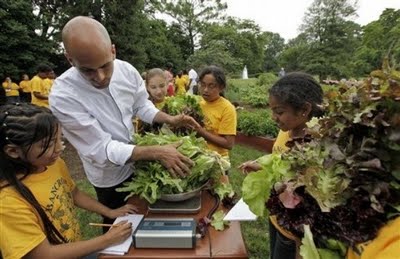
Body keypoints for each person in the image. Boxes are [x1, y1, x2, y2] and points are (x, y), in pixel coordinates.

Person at [49, 16, 198, 228]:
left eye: (104, 66)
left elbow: (141, 106)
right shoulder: (63, 95)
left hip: (139, 163)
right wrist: (156, 152)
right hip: (109, 176)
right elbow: (100, 148)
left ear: (113, 50)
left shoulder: (127, 71)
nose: (100, 77)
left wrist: (169, 119)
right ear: (69, 59)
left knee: (146, 217)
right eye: (87, 70)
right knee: (117, 225)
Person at [0, 103, 136, 259]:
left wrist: (109, 212)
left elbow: (74, 193)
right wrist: (106, 240)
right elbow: (44, 254)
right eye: (48, 144)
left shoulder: (53, 164)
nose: (59, 148)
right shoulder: (8, 203)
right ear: (13, 151)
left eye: (59, 139)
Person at [239, 72, 324, 259]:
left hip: (293, 231)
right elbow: (280, 163)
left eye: (279, 112)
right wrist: (261, 167)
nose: (273, 117)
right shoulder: (287, 131)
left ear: (304, 109)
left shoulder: (315, 146)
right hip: (277, 218)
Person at [190, 65, 237, 160]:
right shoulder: (197, 103)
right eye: (203, 85)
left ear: (221, 87)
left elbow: (229, 144)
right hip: (196, 156)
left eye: (211, 86)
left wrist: (200, 130)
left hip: (217, 160)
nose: (206, 90)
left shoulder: (227, 108)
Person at [136, 68, 168, 134]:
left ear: (167, 84)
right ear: (147, 87)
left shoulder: (173, 104)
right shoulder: (143, 107)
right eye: (153, 87)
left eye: (162, 86)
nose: (159, 91)